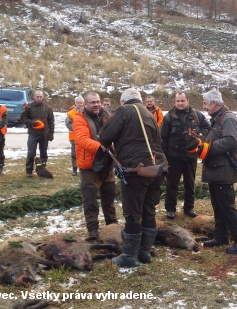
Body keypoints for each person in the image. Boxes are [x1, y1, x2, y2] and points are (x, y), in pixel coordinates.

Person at [99, 88, 167, 267]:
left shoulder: (124, 111)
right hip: (156, 169)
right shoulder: (150, 113)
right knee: (148, 211)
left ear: (123, 102)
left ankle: (129, 256)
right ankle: (144, 253)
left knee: (132, 214)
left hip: (136, 170)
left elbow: (104, 136)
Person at [186, 89, 237, 254]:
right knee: (218, 206)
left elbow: (231, 141)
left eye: (205, 103)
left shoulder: (228, 118)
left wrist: (208, 148)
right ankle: (220, 237)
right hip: (215, 171)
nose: (204, 106)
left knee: (228, 207)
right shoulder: (217, 118)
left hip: (224, 172)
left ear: (214, 103)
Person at [74, 91, 117, 239]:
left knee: (109, 198)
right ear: (85, 104)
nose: (96, 104)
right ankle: (93, 229)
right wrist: (101, 146)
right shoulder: (79, 119)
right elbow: (81, 139)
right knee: (90, 200)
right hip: (89, 167)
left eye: (98, 101)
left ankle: (112, 226)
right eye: (92, 102)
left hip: (107, 165)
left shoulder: (107, 116)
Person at [160, 91, 208, 219]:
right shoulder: (168, 117)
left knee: (190, 183)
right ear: (175, 102)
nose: (180, 103)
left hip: (190, 157)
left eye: (182, 101)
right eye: (177, 101)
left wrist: (199, 135)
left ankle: (189, 208)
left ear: (188, 100)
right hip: (173, 157)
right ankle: (170, 209)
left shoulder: (197, 116)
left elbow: (207, 130)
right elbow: (162, 139)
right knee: (172, 184)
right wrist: (164, 157)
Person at [20, 90, 55, 178]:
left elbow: (51, 121)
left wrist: (51, 133)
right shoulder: (29, 107)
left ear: (42, 97)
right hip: (33, 134)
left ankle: (42, 170)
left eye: (40, 97)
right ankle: (29, 171)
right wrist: (31, 122)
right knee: (31, 153)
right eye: (37, 97)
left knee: (44, 154)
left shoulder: (48, 107)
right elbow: (23, 118)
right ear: (34, 97)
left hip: (44, 134)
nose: (39, 98)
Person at [65, 96, 84, 176]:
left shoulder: (85, 112)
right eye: (78, 103)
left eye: (81, 103)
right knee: (74, 154)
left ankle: (83, 168)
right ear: (75, 103)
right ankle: (74, 170)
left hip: (84, 136)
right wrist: (76, 129)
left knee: (83, 153)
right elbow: (68, 124)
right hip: (74, 137)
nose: (79, 104)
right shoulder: (70, 113)